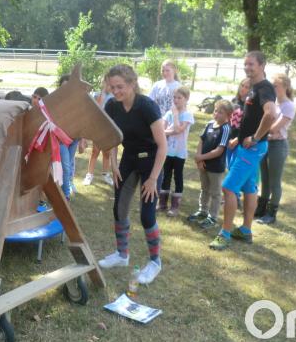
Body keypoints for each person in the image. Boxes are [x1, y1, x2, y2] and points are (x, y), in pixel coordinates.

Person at [98, 64, 167, 285]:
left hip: (151, 161)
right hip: (128, 159)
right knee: (119, 208)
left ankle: (155, 262)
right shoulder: (112, 106)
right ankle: (122, 255)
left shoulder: (147, 106)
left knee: (147, 215)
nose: (116, 91)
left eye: (120, 87)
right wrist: (114, 164)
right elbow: (111, 138)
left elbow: (163, 146)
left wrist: (153, 179)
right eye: (112, 87)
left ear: (132, 84)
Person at [209, 51, 276, 251]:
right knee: (249, 187)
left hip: (253, 148)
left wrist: (255, 137)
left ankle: (225, 234)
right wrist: (241, 137)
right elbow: (252, 117)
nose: (247, 67)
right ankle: (245, 230)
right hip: (245, 145)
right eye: (245, 64)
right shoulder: (254, 87)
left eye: (251, 64)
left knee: (229, 188)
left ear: (262, 65)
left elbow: (270, 114)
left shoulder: (265, 88)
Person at [255, 73, 296, 224]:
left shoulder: (289, 106)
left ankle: (271, 213)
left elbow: (273, 128)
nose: (272, 89)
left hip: (278, 146)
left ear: (285, 87)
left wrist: (261, 130)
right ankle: (261, 208)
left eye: (275, 86)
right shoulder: (273, 103)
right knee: (264, 179)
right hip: (265, 143)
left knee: (274, 181)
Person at [188, 100, 233, 229]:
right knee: (204, 188)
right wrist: (199, 159)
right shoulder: (209, 124)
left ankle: (212, 217)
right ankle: (203, 211)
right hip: (203, 165)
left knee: (215, 192)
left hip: (215, 167)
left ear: (228, 115)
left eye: (220, 112)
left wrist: (201, 157)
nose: (216, 114)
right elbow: (201, 141)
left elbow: (219, 150)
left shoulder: (225, 128)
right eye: (215, 110)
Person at [158, 86, 195, 216]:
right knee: (165, 175)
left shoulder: (187, 115)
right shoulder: (168, 113)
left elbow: (179, 129)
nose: (176, 100)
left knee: (178, 176)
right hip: (167, 151)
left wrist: (175, 115)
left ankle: (175, 206)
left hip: (179, 152)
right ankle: (162, 203)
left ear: (186, 99)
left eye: (179, 98)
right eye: (174, 97)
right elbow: (162, 130)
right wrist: (170, 130)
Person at [82, 77, 114, 187]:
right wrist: (102, 94)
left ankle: (106, 174)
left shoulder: (115, 97)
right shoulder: (97, 95)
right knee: (95, 151)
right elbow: (97, 109)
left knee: (107, 152)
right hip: (98, 127)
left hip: (109, 128)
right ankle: (89, 175)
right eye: (106, 83)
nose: (108, 86)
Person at [57, 74, 80, 199]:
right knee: (65, 166)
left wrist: (82, 140)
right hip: (61, 140)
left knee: (69, 163)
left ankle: (68, 184)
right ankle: (65, 195)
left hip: (74, 138)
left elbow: (82, 120)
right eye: (63, 87)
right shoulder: (55, 101)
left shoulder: (78, 101)